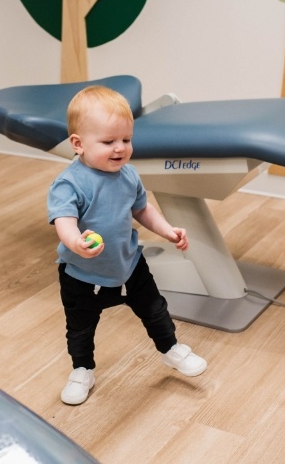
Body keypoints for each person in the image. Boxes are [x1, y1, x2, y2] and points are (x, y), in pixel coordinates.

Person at [47, 85, 207, 405]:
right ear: (78, 144)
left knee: (154, 309)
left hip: (129, 263)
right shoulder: (70, 183)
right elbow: (63, 219)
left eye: (126, 140)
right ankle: (82, 369)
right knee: (81, 328)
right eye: (108, 142)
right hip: (83, 273)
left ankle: (170, 349)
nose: (120, 148)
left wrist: (166, 230)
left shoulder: (128, 174)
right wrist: (75, 242)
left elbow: (142, 209)